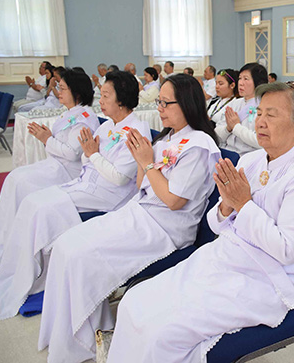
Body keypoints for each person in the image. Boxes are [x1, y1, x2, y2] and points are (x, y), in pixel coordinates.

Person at [107, 81, 294, 362]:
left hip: (265, 278)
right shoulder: (253, 160)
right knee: (134, 302)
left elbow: (288, 250)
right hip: (225, 257)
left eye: (271, 115)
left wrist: (244, 204)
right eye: (259, 113)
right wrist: (226, 204)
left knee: (164, 331)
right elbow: (216, 225)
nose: (260, 121)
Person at [37, 74, 221, 362]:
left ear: (186, 103)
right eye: (158, 101)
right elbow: (141, 186)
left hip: (165, 228)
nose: (159, 107)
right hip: (141, 212)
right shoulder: (168, 136)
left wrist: (147, 162)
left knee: (81, 255)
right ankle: (78, 330)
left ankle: (83, 339)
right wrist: (141, 159)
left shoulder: (200, 146)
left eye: (165, 102)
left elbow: (173, 201)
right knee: (66, 245)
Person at [0, 70, 151, 323]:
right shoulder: (111, 125)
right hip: (88, 184)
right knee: (33, 202)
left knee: (41, 208)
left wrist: (93, 154)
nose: (99, 101)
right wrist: (91, 154)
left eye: (105, 96)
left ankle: (33, 278)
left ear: (121, 100)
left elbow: (118, 178)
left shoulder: (135, 130)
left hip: (108, 196)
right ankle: (21, 271)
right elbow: (84, 157)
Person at [0, 69, 99, 266]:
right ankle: (7, 238)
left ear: (77, 93)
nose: (58, 92)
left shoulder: (85, 117)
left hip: (68, 172)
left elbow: (72, 153)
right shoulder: (72, 112)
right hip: (56, 164)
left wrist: (47, 139)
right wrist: (48, 137)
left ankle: (17, 246)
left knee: (20, 184)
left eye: (62, 89)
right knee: (14, 178)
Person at [215, 62, 268, 155]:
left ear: (258, 83)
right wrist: (228, 128)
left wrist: (236, 127)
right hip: (226, 152)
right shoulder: (234, 103)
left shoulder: (265, 106)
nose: (241, 83)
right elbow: (217, 135)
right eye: (239, 78)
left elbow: (262, 141)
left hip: (248, 157)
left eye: (246, 79)